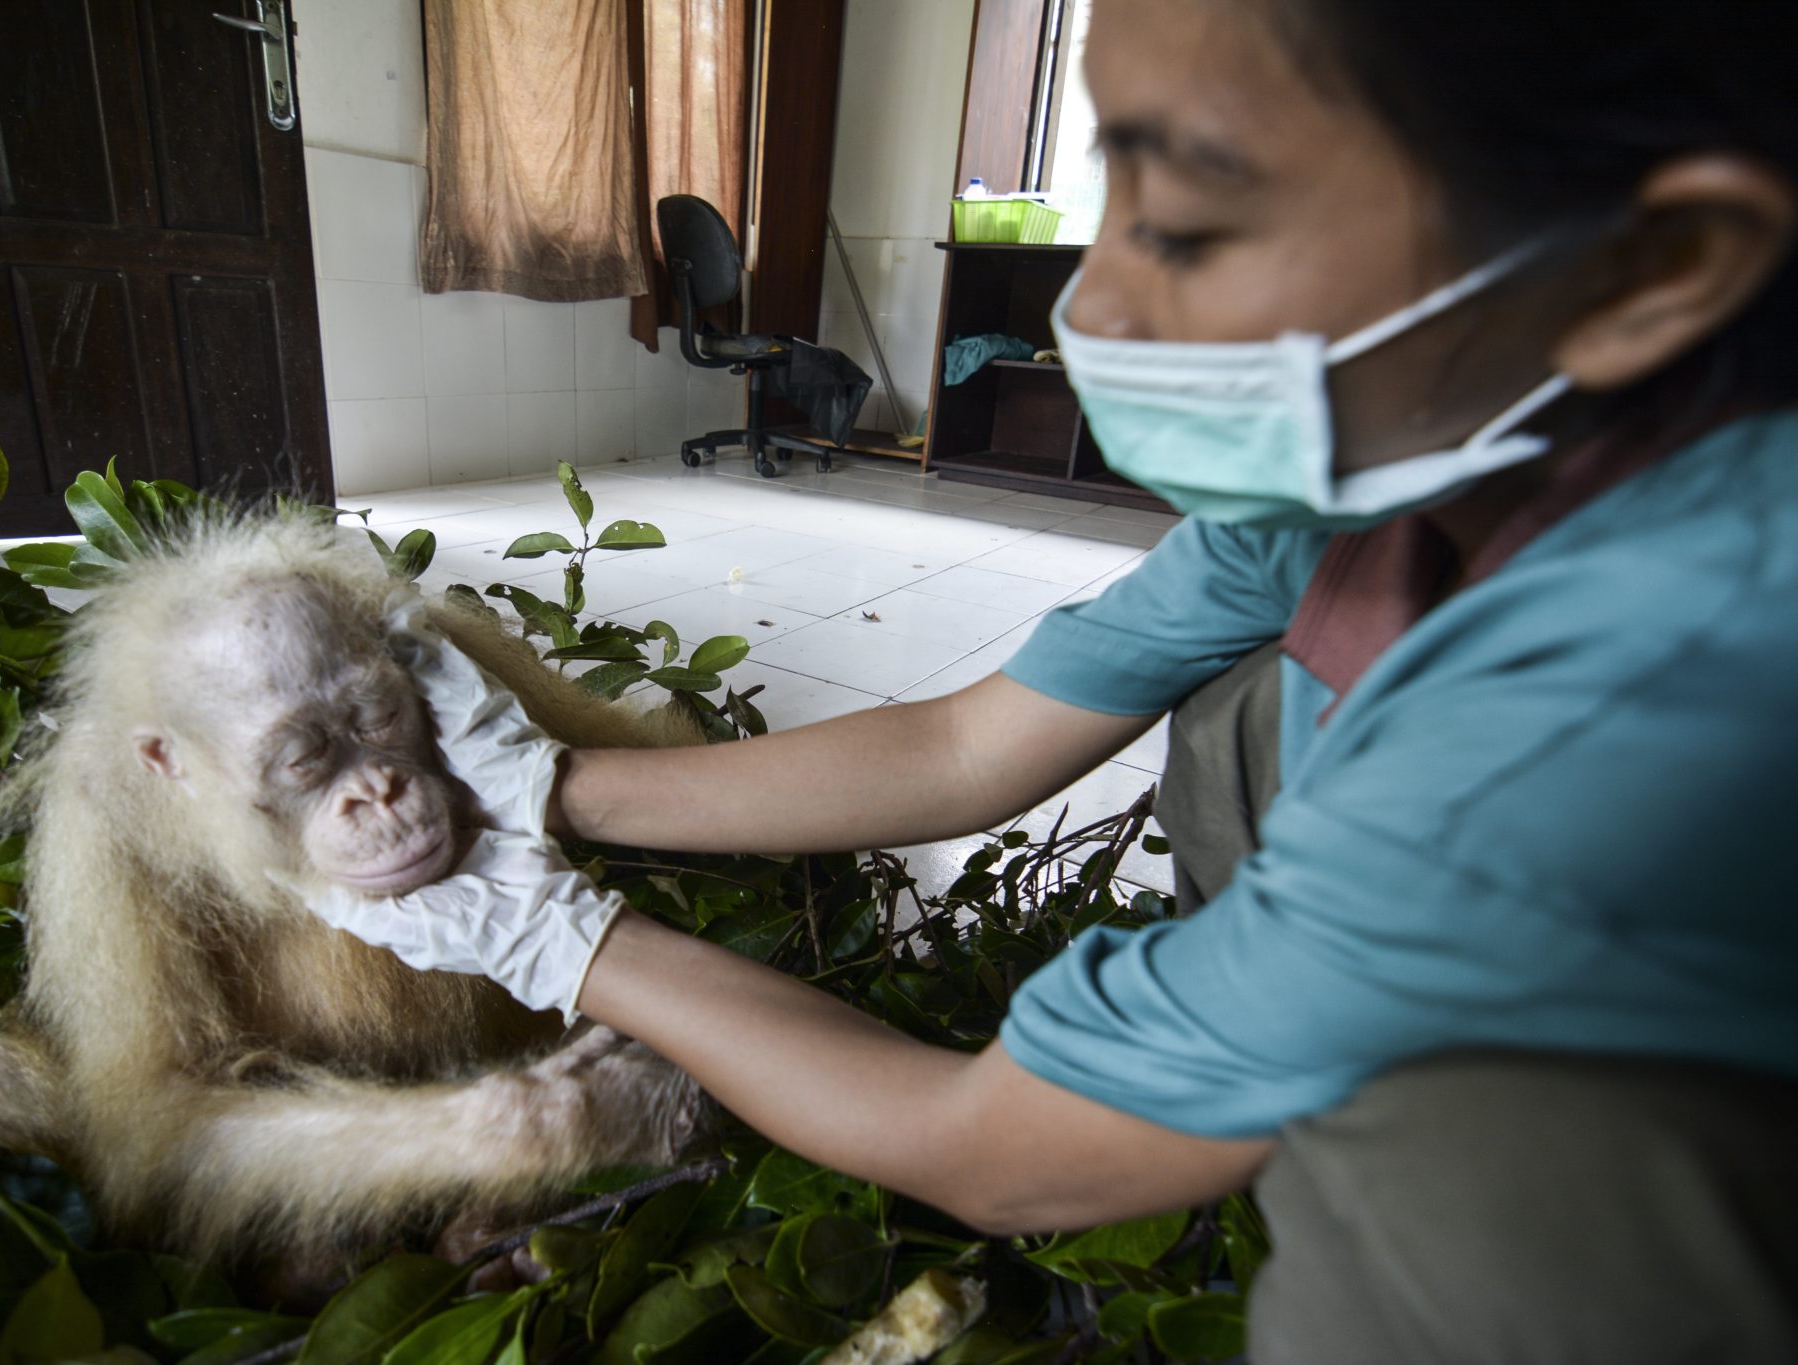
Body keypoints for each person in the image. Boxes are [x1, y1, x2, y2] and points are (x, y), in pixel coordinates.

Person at [301, 0, 1798, 1358]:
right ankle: (1274, 1061)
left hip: (1589, 1045)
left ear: (1649, 267)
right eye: (1114, 189)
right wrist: (554, 785)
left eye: (1194, 221)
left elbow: (993, 1146)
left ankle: (1335, 1148)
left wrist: (563, 941)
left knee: (1462, 1196)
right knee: (1246, 710)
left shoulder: (1618, 707)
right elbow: (968, 743)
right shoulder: (1380, 479)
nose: (1105, 304)